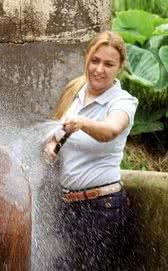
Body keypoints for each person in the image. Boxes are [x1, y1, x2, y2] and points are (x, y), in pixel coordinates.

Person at [43, 31, 138, 270]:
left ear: (120, 67)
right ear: (86, 58)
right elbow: (58, 132)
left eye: (108, 64)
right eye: (95, 61)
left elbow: (111, 130)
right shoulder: (76, 93)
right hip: (67, 207)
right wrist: (52, 146)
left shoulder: (124, 102)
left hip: (102, 209)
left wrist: (83, 123)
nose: (99, 69)